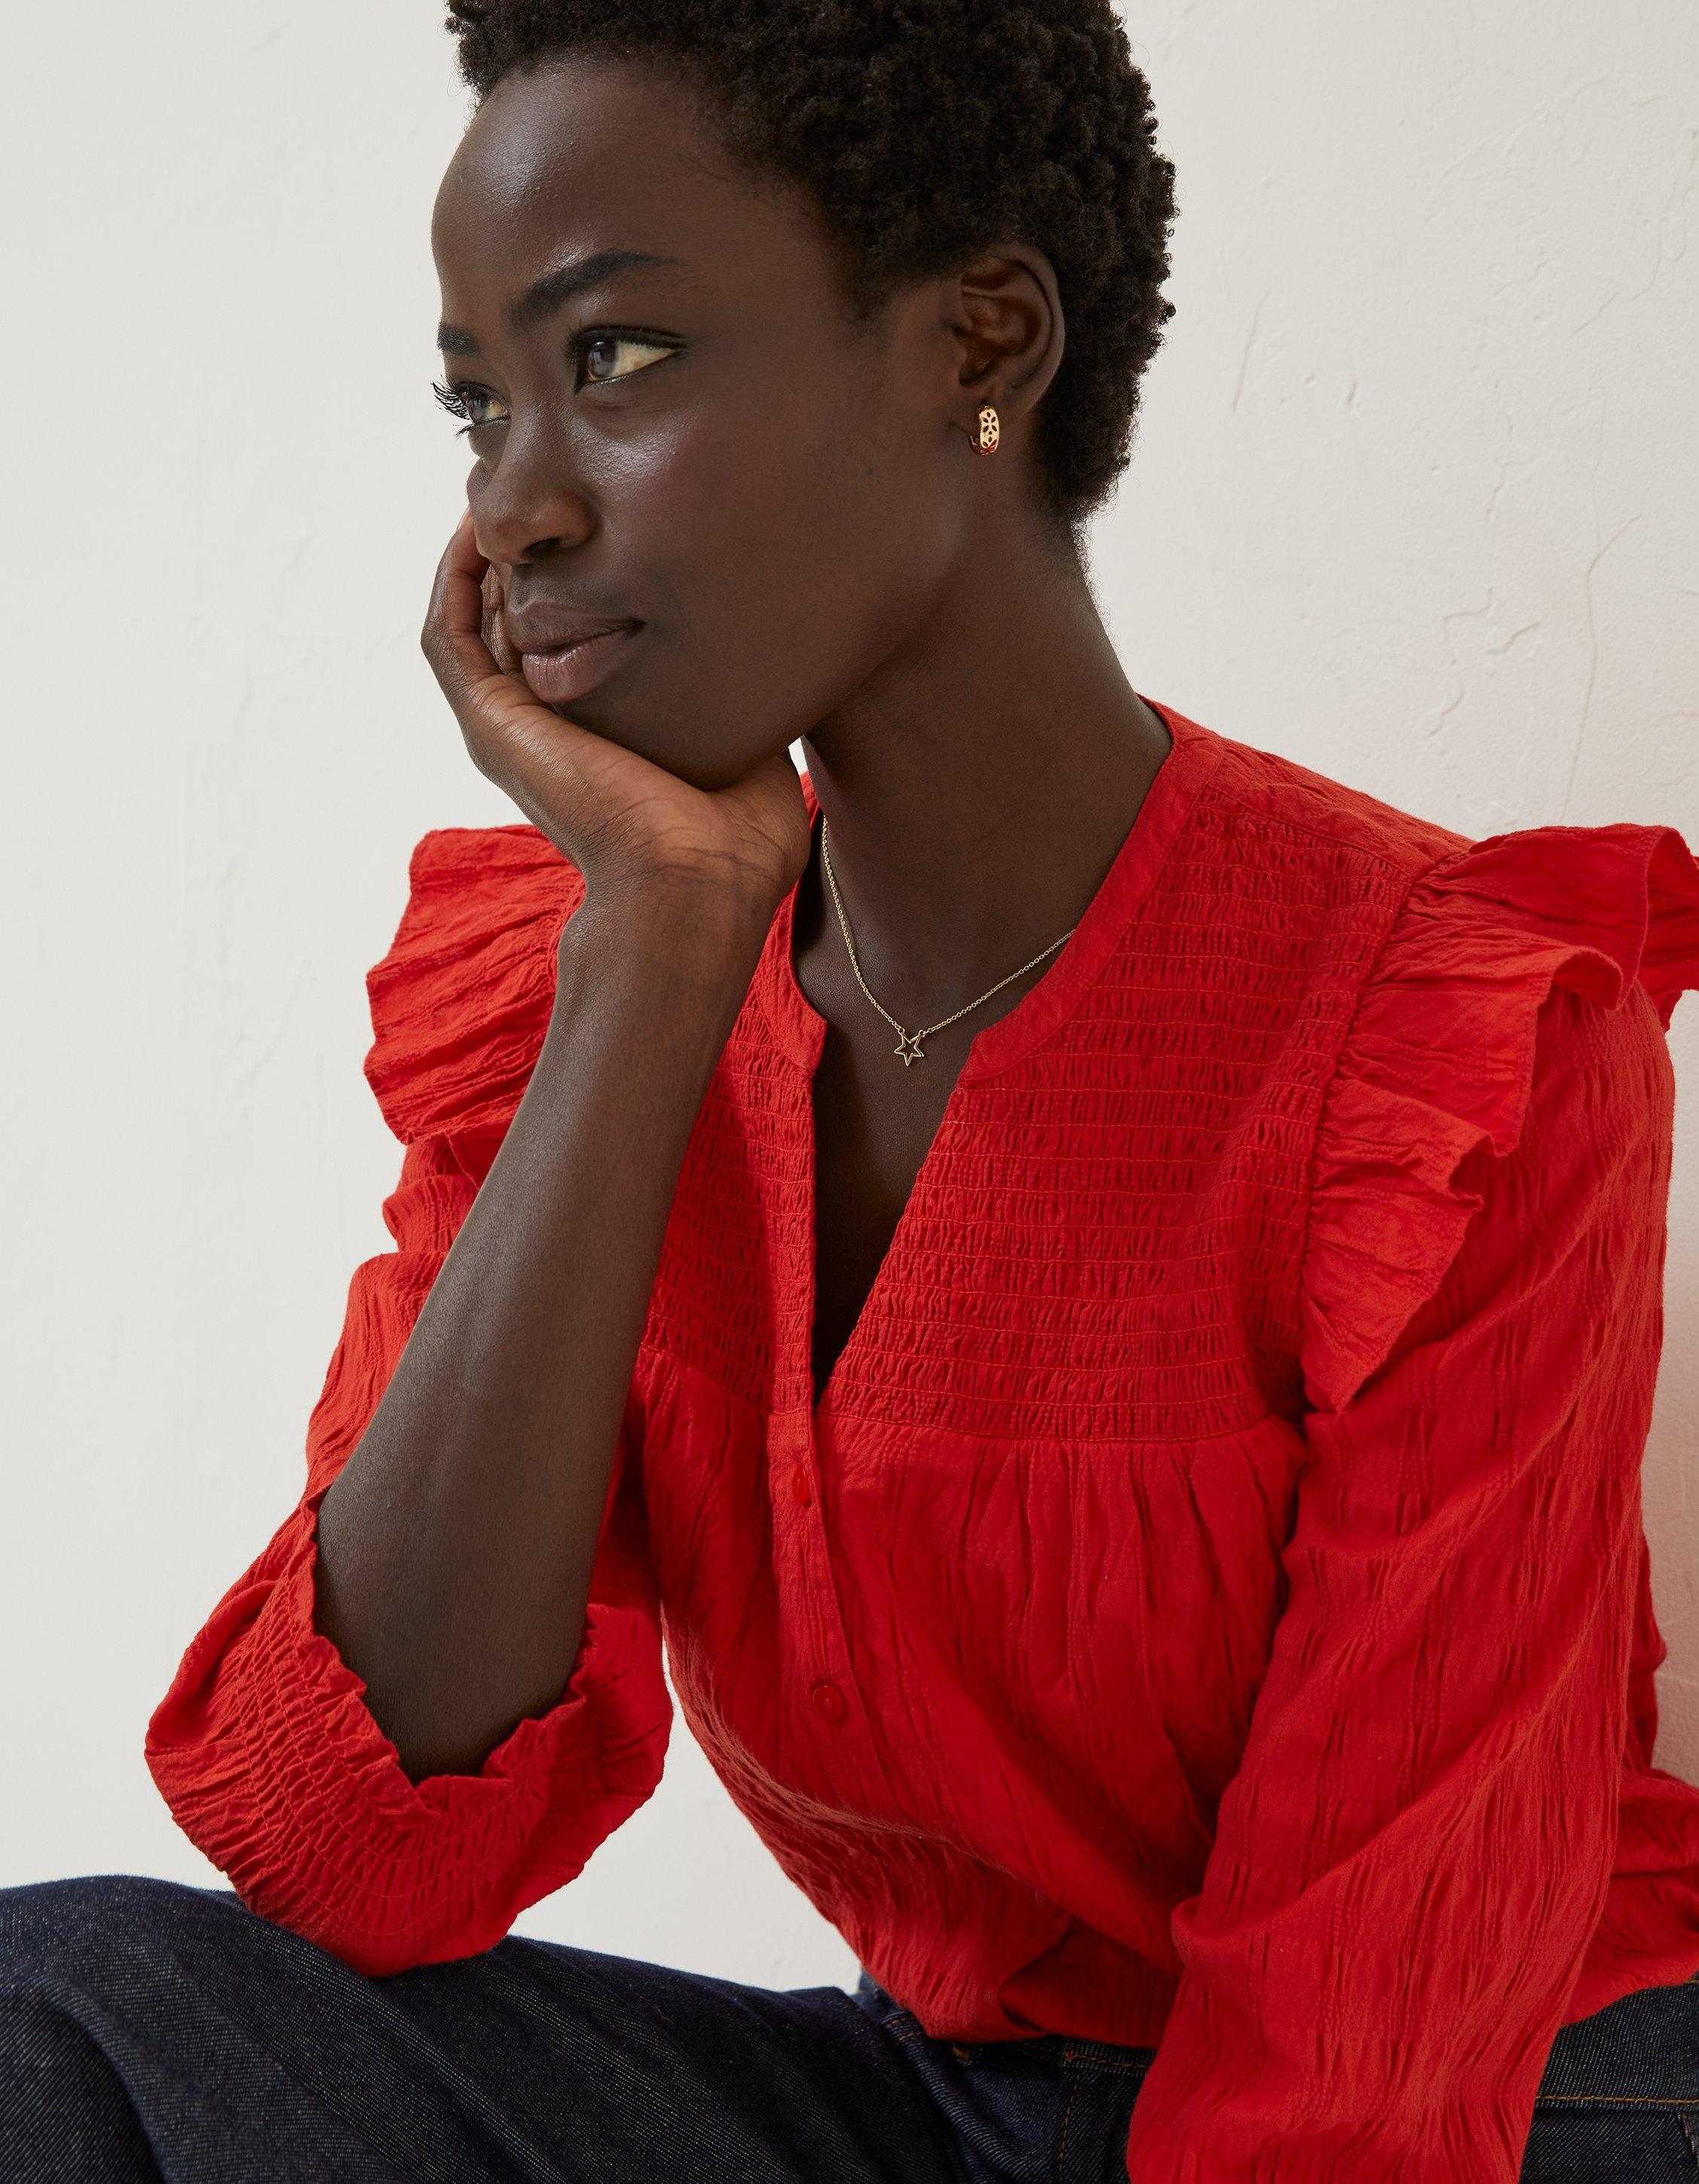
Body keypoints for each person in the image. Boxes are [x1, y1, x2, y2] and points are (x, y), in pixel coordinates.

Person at [6, 4, 1699, 2179]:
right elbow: (357, 1854)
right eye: (473, 404)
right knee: (59, 2021)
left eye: (610, 360)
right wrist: (652, 952)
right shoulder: (570, 983)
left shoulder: (1442, 1042)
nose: (511, 510)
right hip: (937, 2102)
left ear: (979, 342)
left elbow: (1373, 2025)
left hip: (1506, 2111)